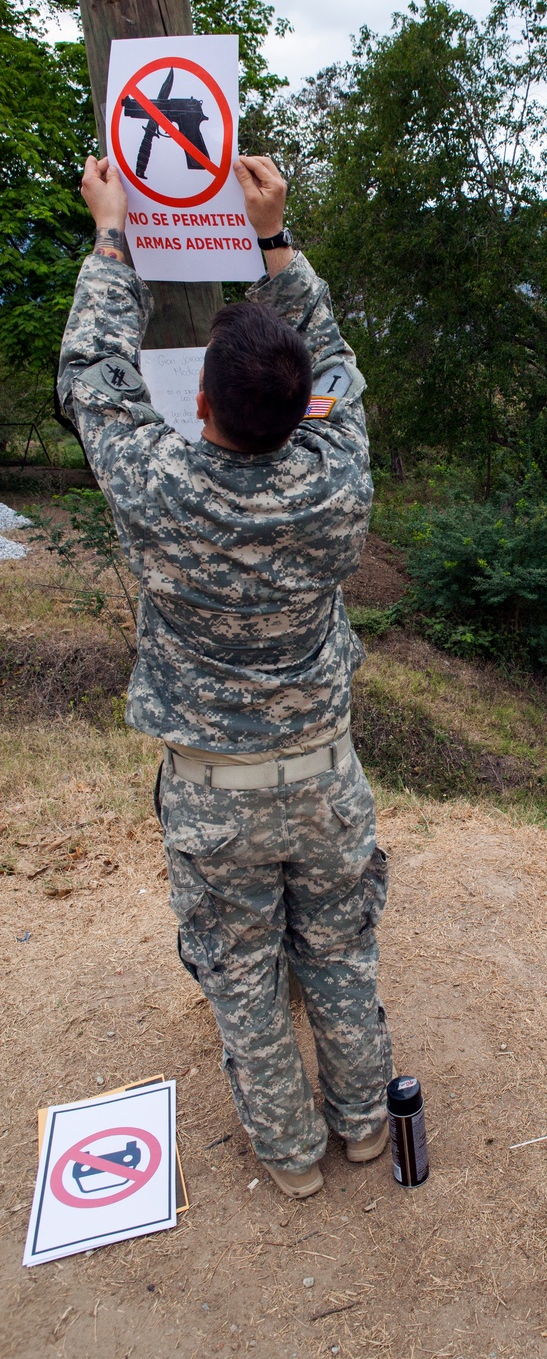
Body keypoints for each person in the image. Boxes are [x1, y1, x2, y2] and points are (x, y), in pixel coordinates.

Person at [58, 153, 392, 1200]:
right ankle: (366, 1130)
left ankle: (292, 1162)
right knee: (339, 955)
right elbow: (333, 361)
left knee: (243, 979)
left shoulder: (158, 485)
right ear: (307, 409)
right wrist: (276, 240)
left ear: (197, 406)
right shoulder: (340, 477)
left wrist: (114, 236)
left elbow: (92, 381)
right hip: (326, 780)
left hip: (214, 794)